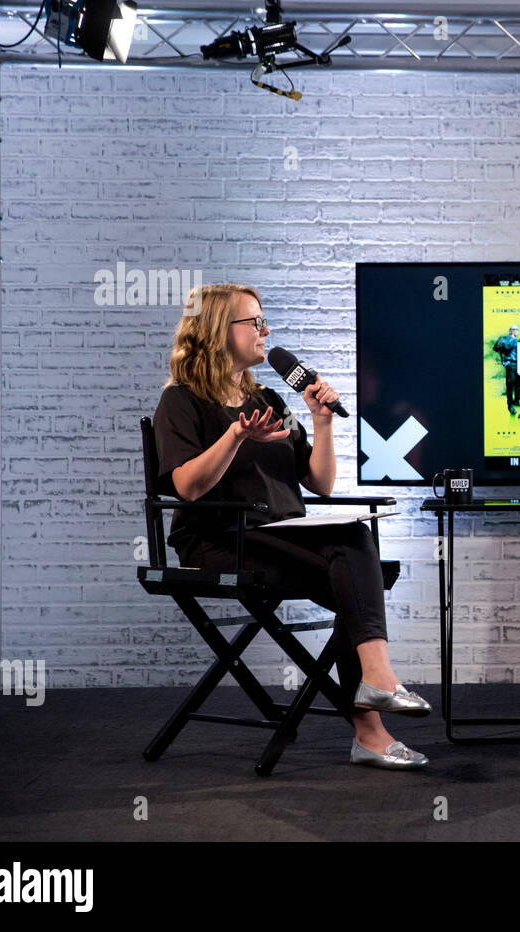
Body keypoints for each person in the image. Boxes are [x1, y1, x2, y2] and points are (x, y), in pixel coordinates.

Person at [152, 283, 432, 771]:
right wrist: (236, 436)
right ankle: (372, 717)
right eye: (254, 322)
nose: (266, 332)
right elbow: (187, 487)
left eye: (264, 322)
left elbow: (320, 484)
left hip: (279, 534)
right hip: (219, 541)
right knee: (356, 572)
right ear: (220, 331)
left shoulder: (267, 397)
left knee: (355, 551)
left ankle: (374, 698)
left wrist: (321, 423)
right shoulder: (182, 401)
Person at [493, 324, 520, 413]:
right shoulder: (509, 339)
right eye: (514, 329)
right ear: (510, 330)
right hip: (511, 364)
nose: (516, 331)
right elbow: (504, 348)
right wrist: (504, 361)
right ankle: (510, 406)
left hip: (517, 364)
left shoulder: (514, 340)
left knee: (518, 384)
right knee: (510, 386)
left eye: (517, 329)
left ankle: (516, 401)